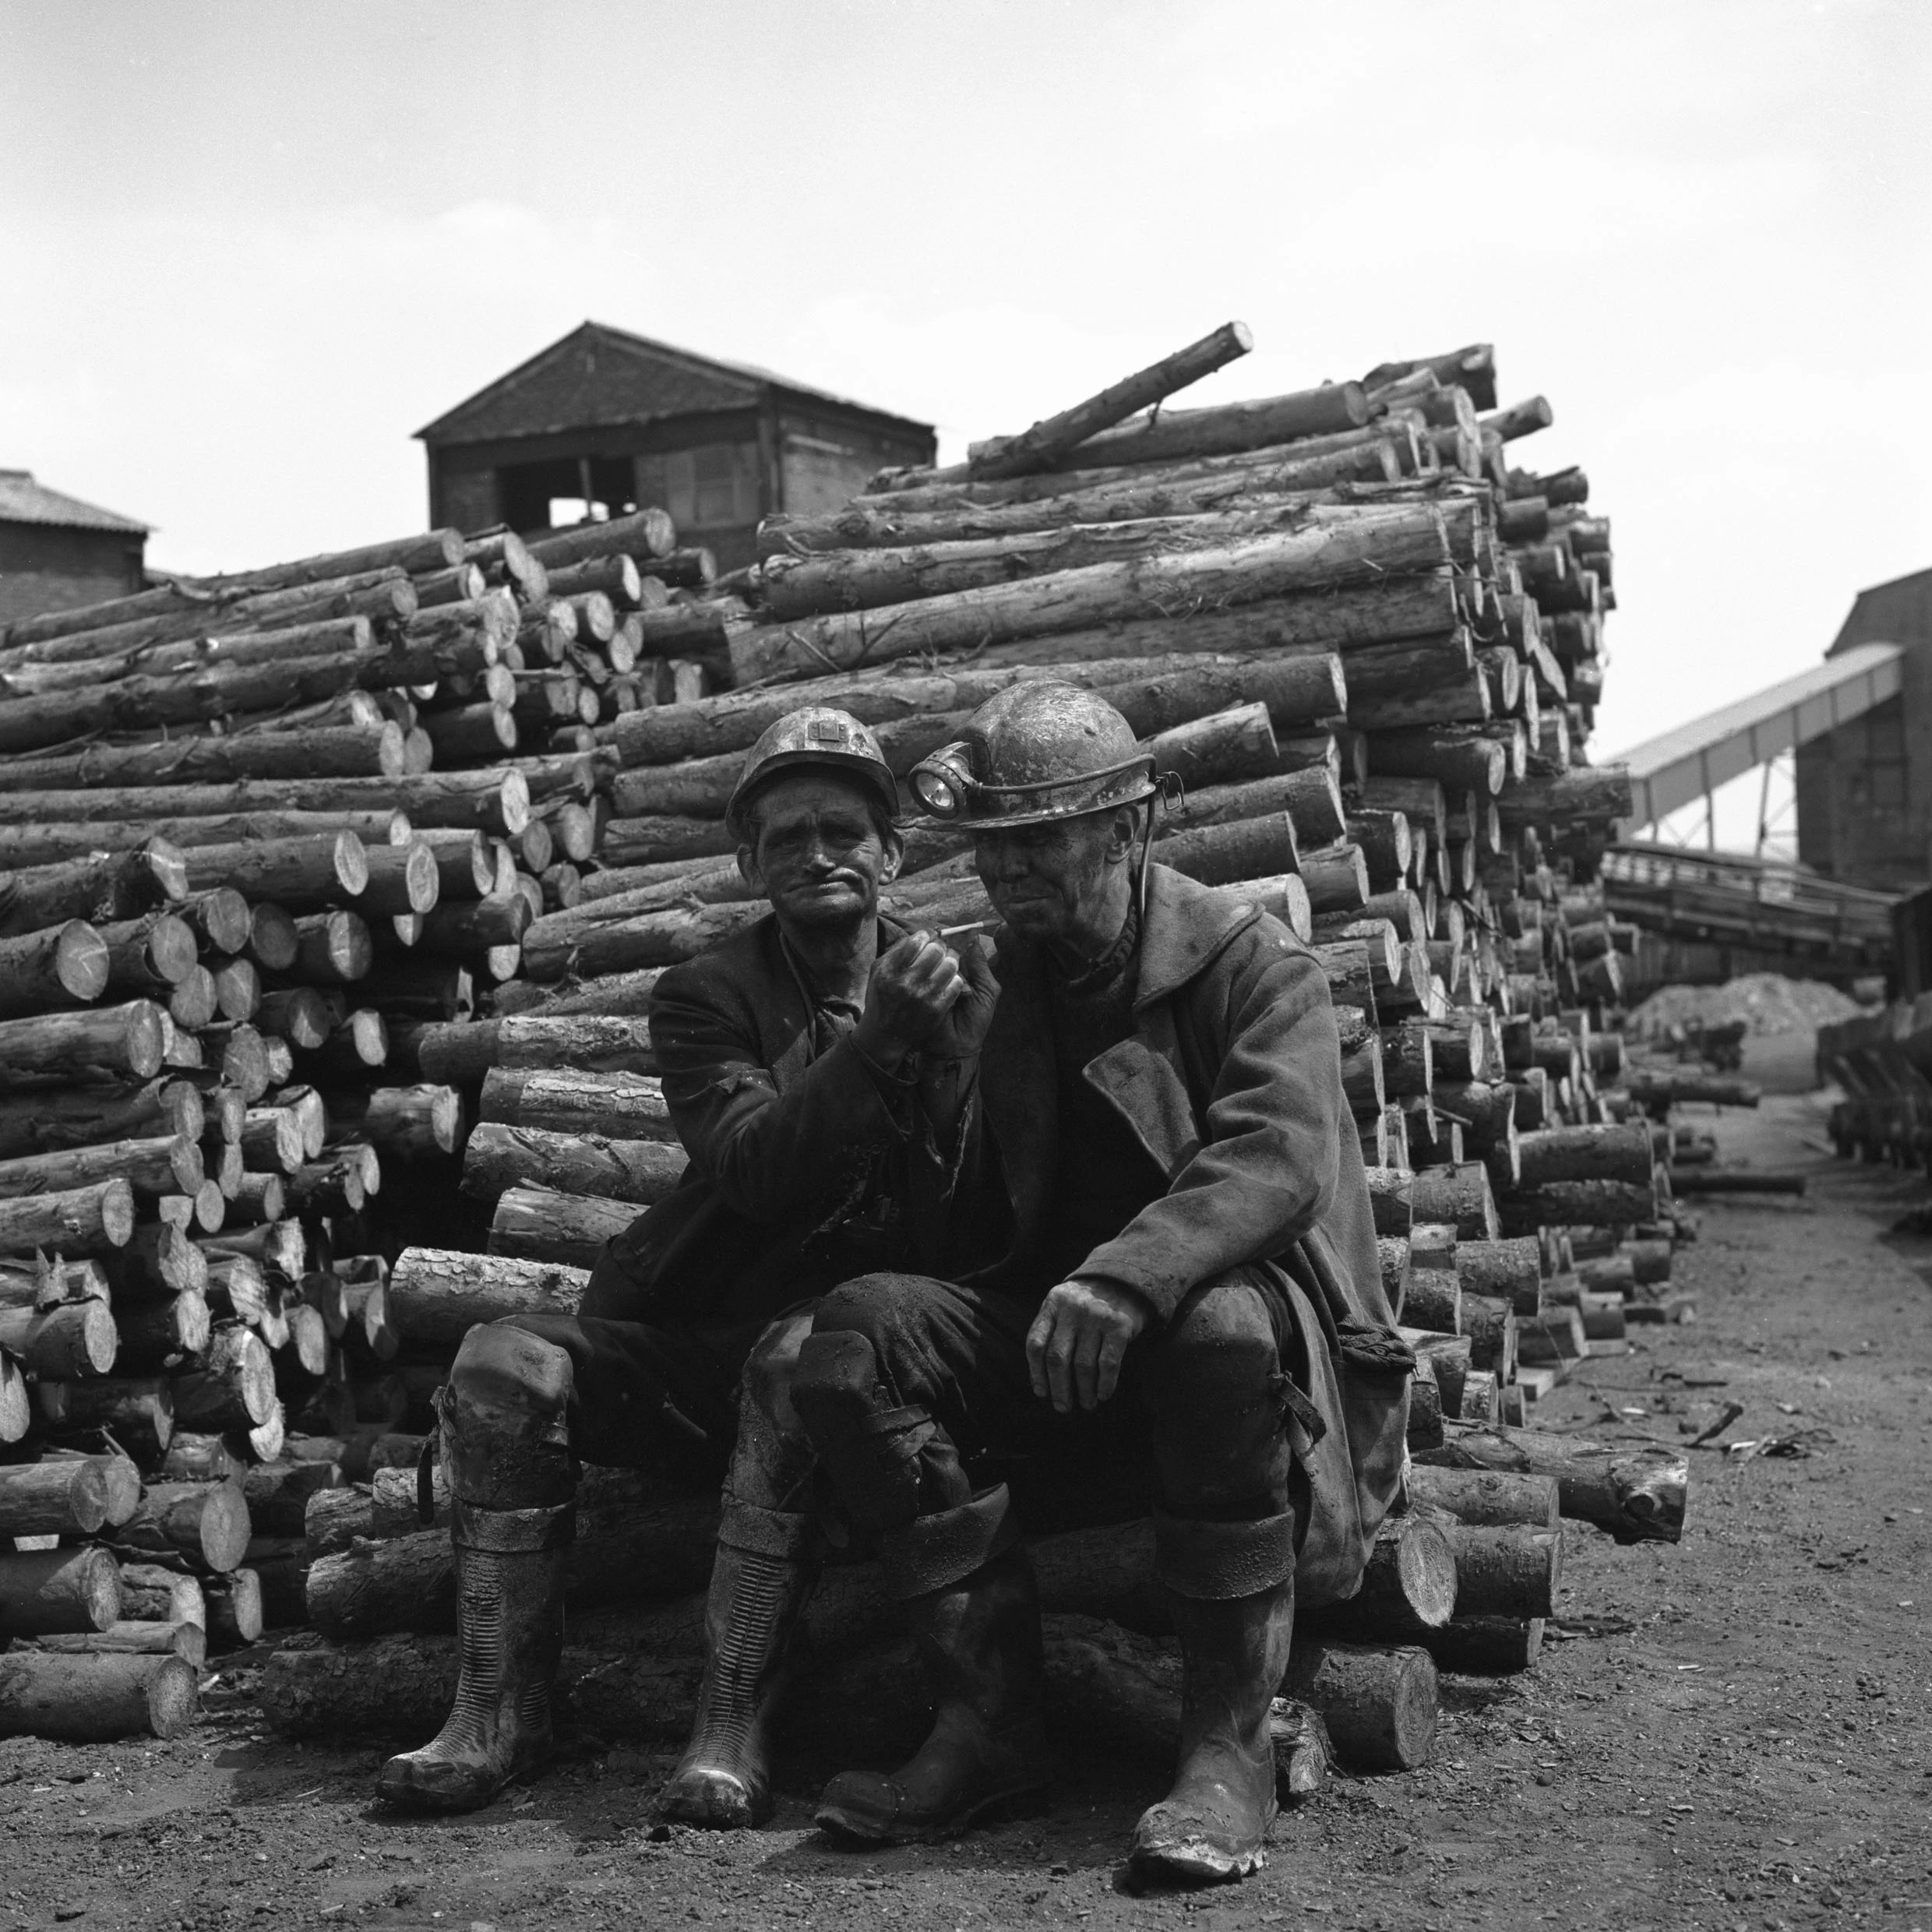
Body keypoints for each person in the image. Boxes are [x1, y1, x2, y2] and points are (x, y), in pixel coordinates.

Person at [782, 682, 1413, 1884]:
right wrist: (915, 1067)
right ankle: (989, 1723)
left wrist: (1124, 1281)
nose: (1006, 871)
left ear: (1128, 829)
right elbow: (951, 1232)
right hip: (1068, 1364)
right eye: (992, 846)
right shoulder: (995, 982)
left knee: (1216, 1328)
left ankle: (1224, 1751)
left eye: (1039, 841)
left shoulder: (1254, 965)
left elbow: (1276, 1160)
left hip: (1255, 1383)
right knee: (863, 1336)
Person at [375, 707, 992, 1822]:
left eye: (845, 832)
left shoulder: (964, 991)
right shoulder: (709, 997)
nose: (819, 855)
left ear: (893, 854)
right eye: (788, 836)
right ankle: (496, 1713)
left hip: (874, 1364)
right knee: (503, 1365)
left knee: (801, 1359)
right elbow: (754, 1172)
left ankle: (732, 1721)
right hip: (705, 1343)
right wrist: (877, 1045)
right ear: (750, 864)